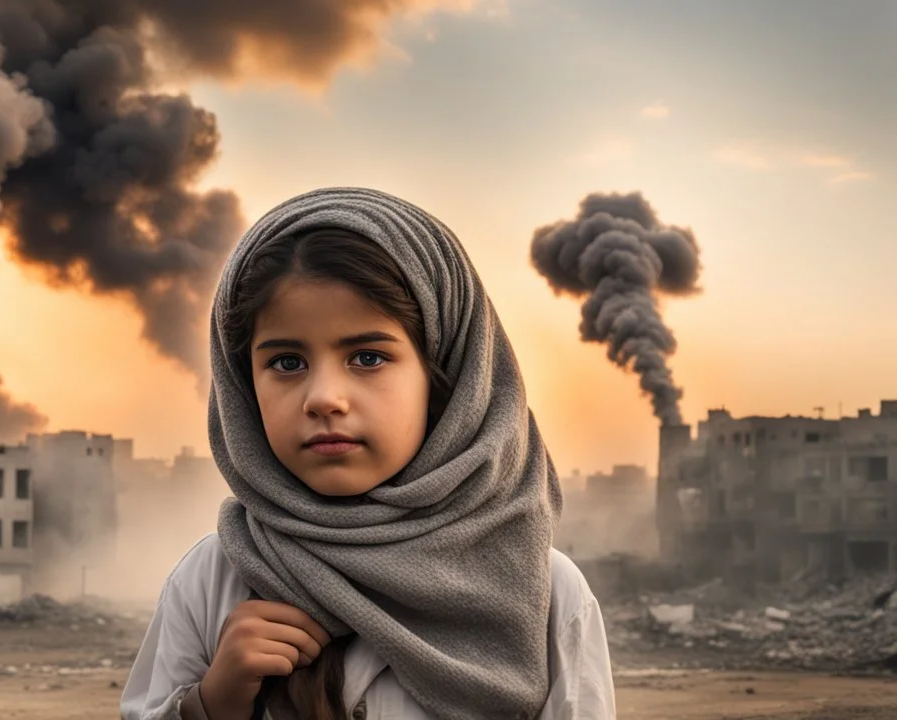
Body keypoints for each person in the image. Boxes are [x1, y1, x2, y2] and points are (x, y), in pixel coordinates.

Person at [120, 187, 615, 719]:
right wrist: (209, 704)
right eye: (286, 363)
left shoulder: (546, 595)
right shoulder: (215, 579)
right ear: (243, 389)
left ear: (445, 376)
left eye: (368, 357)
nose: (324, 398)